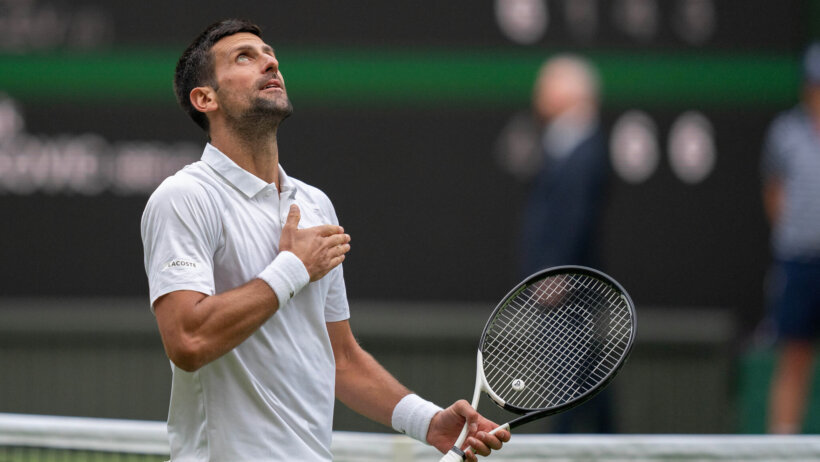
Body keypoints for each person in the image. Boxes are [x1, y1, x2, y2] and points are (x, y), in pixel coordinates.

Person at [140, 19, 509, 461]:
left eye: (269, 54)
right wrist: (293, 268)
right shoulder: (185, 197)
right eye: (244, 57)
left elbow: (341, 358)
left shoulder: (315, 204)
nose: (270, 62)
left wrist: (428, 422)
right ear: (206, 98)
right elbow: (188, 341)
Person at [496, 55, 612, 433]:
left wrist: (556, 274)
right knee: (586, 381)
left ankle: (577, 446)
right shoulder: (563, 142)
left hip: (569, 288)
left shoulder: (584, 147)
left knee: (574, 381)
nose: (537, 96)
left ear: (568, 94)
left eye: (545, 87)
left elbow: (574, 217)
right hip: (562, 283)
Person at [762, 42, 820, 435]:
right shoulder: (785, 132)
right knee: (794, 357)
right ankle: (782, 447)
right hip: (798, 259)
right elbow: (774, 192)